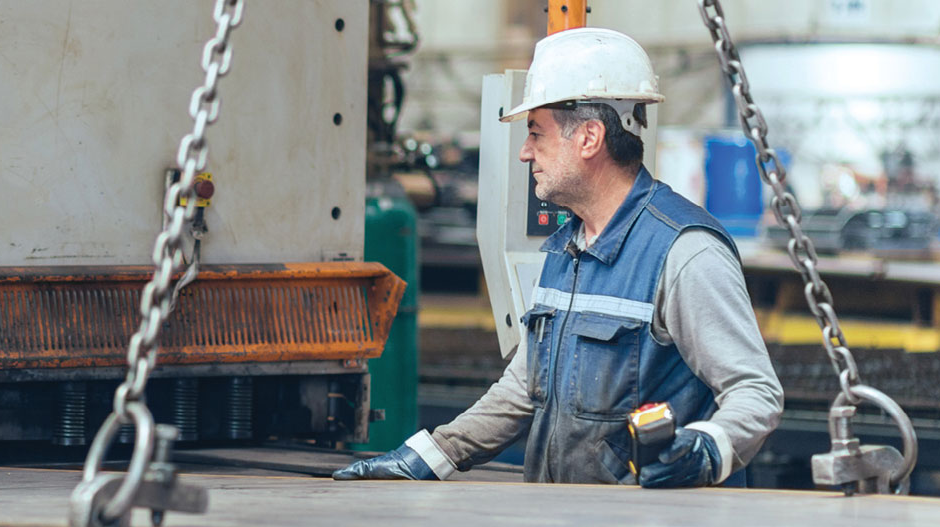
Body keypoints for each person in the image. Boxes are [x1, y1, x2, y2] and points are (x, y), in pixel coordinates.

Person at [334, 28, 782, 487]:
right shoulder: (565, 249)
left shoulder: (684, 252)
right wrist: (429, 455)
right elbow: (522, 390)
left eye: (535, 133)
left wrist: (707, 449)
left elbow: (756, 391)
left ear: (589, 138)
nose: (526, 152)